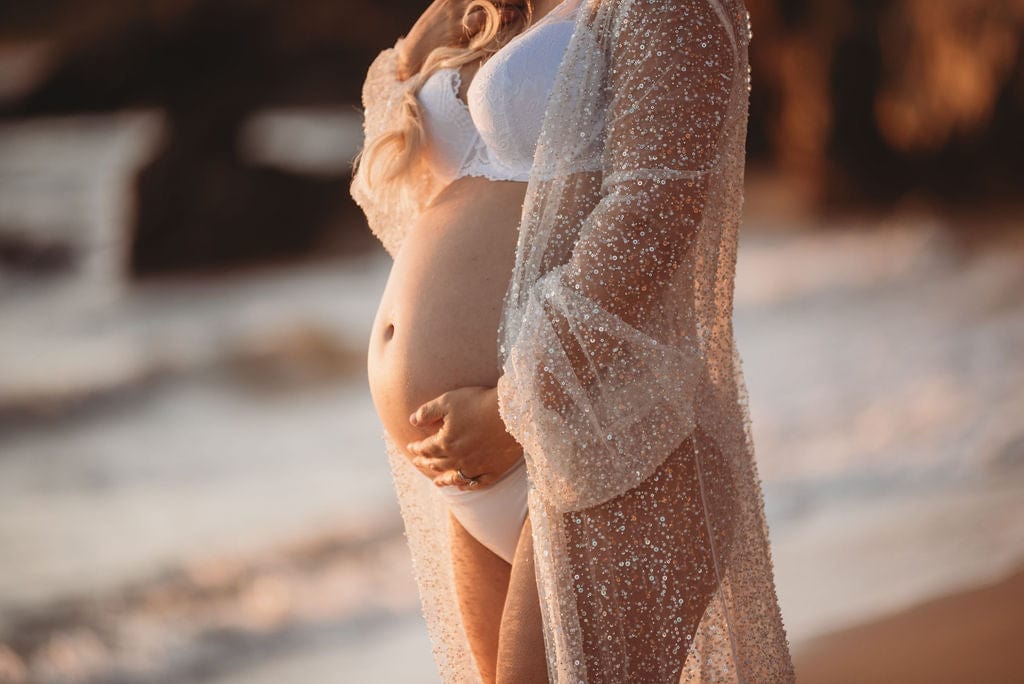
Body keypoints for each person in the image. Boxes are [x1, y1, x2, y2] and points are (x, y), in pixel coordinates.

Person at [351, 0, 795, 681]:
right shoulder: (502, 7)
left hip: (610, 439)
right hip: (479, 465)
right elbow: (394, 188)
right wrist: (418, 53)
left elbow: (653, 213)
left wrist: (514, 405)